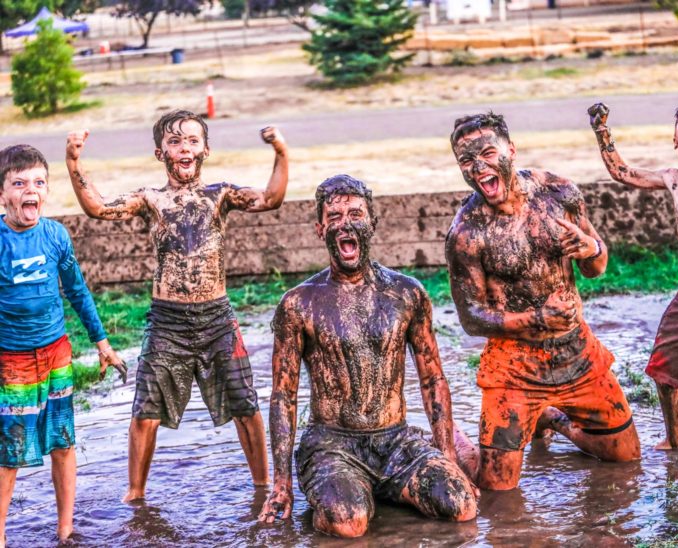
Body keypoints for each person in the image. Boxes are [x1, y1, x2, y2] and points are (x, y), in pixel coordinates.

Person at [65, 109, 289, 502]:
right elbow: (98, 208)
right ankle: (135, 496)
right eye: (174, 141)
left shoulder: (220, 195)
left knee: (245, 403)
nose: (183, 147)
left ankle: (263, 487)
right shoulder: (151, 200)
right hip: (167, 322)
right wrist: (73, 162)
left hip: (218, 317)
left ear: (205, 149)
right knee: (145, 412)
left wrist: (281, 153)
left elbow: (271, 199)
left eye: (191, 140)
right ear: (159, 153)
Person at [258, 175, 477, 538]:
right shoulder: (299, 304)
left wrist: (446, 456)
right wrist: (280, 485)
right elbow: (283, 396)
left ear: (372, 223)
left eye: (356, 213)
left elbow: (432, 378)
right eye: (335, 216)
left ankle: (385, 488)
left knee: (462, 506)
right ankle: (350, 493)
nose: (346, 223)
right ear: (320, 228)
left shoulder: (407, 294)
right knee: (349, 523)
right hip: (332, 444)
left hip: (396, 442)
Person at [445, 112, 641, 491]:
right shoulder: (467, 232)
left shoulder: (558, 193)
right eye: (467, 161)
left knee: (626, 457)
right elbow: (471, 318)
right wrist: (535, 318)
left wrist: (591, 247)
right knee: (496, 488)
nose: (478, 167)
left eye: (487, 153)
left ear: (511, 151)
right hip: (514, 366)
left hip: (577, 353)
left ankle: (552, 419)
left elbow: (596, 266)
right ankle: (449, 439)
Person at [0, 145, 126, 545]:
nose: (29, 190)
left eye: (38, 182)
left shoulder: (55, 235)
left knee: (63, 441)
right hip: (12, 360)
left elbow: (77, 291)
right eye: (18, 183)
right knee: (9, 453)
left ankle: (66, 530)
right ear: (2, 194)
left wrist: (102, 342)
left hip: (56, 355)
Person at [588, 100, 678, 450]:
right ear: (675, 136)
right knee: (665, 373)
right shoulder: (673, 179)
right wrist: (601, 130)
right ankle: (676, 440)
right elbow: (623, 173)